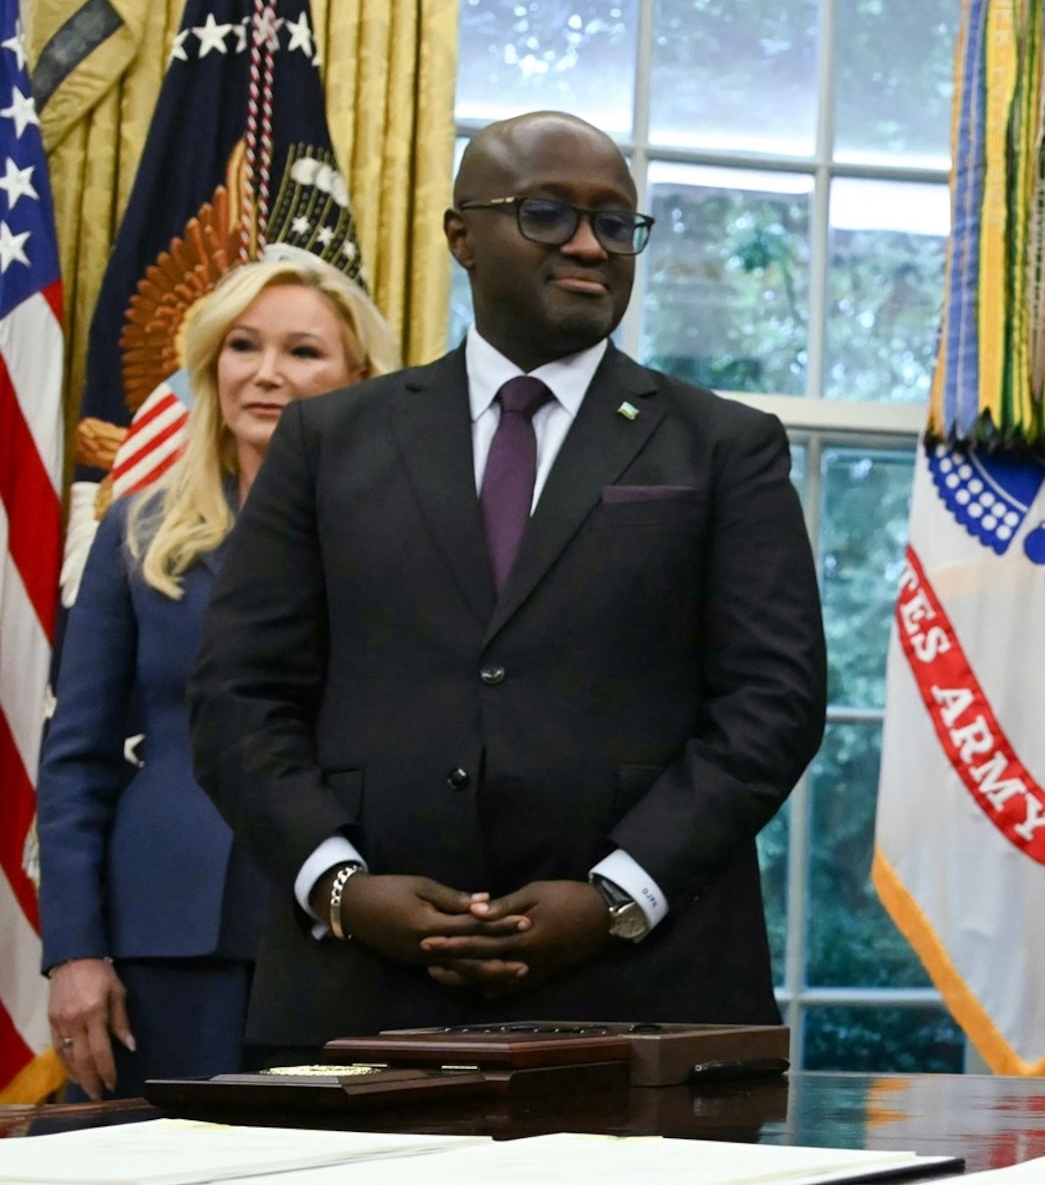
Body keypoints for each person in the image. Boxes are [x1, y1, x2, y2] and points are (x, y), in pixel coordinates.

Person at [190, 110, 826, 1053]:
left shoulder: (725, 445)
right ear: (462, 236)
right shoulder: (330, 442)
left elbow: (774, 705)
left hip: (643, 984)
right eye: (546, 214)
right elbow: (239, 695)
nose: (587, 244)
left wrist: (617, 895)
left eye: (616, 223)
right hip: (360, 987)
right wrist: (341, 887)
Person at [40, 250, 400, 1097]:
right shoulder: (138, 532)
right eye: (244, 346)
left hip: (352, 927)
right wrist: (74, 951)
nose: (266, 374)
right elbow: (78, 761)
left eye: (302, 352)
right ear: (212, 365)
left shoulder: (408, 538)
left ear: (359, 374)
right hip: (165, 931)